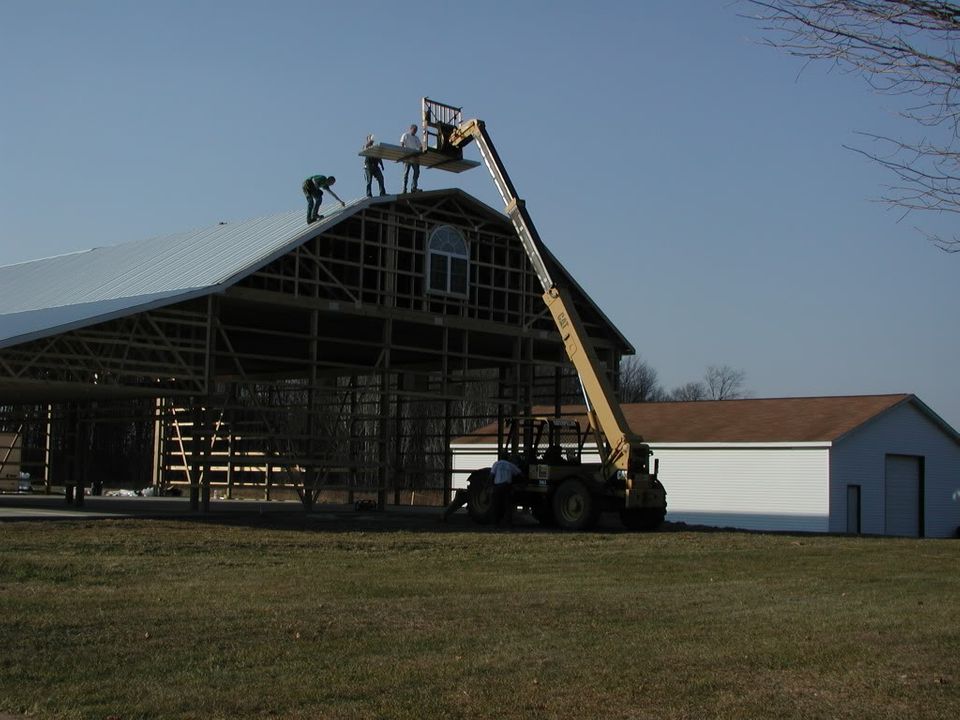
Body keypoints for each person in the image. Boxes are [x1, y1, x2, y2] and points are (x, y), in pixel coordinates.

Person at [490, 455, 523, 527]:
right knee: (507, 505)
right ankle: (508, 523)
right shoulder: (510, 465)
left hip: (498, 487)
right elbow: (520, 473)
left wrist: (490, 486)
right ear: (508, 459)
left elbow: (492, 475)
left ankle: (496, 523)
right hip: (507, 487)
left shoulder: (496, 464)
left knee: (496, 505)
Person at [399, 123, 422, 193]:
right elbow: (402, 144)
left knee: (417, 172)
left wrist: (421, 151)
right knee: (406, 173)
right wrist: (403, 155)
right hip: (407, 156)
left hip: (414, 156)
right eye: (414, 130)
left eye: (416, 130)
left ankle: (413, 188)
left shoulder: (416, 138)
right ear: (411, 129)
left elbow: (420, 146)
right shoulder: (406, 135)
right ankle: (404, 189)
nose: (415, 131)